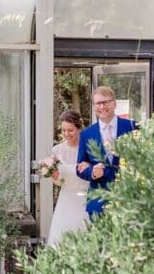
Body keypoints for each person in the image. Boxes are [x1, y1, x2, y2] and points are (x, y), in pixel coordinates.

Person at [76, 86, 138, 218]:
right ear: (94, 106)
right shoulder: (87, 133)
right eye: (98, 103)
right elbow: (80, 167)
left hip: (128, 200)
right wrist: (92, 172)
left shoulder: (132, 127)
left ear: (114, 104)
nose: (102, 106)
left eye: (106, 102)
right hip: (98, 202)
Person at [46, 110, 90, 246]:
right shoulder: (57, 150)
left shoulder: (88, 148)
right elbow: (59, 182)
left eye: (70, 130)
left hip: (85, 199)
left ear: (79, 128)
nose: (66, 134)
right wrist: (53, 175)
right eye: (64, 130)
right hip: (65, 200)